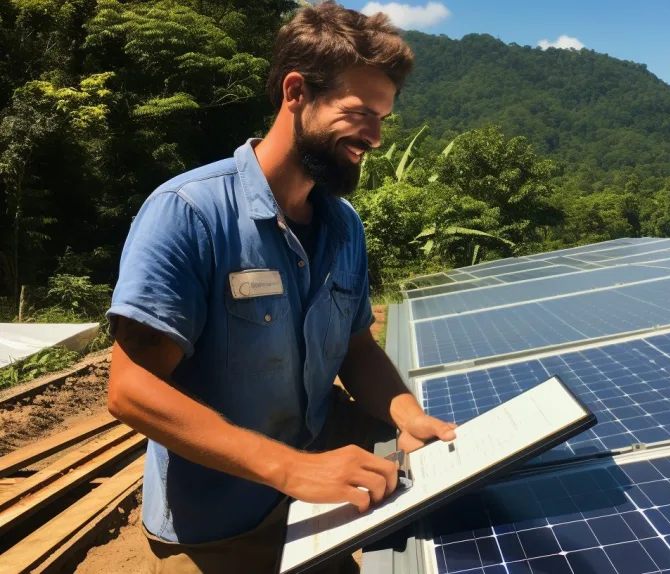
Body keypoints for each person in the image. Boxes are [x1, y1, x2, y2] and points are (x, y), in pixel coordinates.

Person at [105, 4, 456, 572]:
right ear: (296, 92)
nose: (377, 137)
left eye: (384, 118)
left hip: (318, 510)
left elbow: (356, 347)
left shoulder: (344, 227)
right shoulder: (190, 213)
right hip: (215, 532)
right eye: (360, 112)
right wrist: (292, 468)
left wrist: (405, 414)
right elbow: (131, 389)